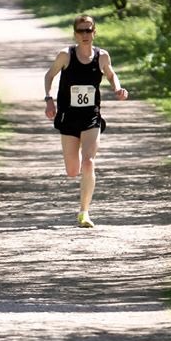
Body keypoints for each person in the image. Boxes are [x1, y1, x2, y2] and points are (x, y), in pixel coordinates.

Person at [44, 14, 128, 228]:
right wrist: (49, 100)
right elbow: (49, 75)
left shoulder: (102, 56)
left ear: (94, 32)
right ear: (75, 33)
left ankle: (84, 212)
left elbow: (110, 74)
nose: (85, 35)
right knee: (73, 171)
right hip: (68, 117)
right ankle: (82, 199)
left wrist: (117, 88)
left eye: (88, 30)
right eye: (81, 31)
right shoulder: (66, 55)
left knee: (88, 162)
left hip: (91, 116)